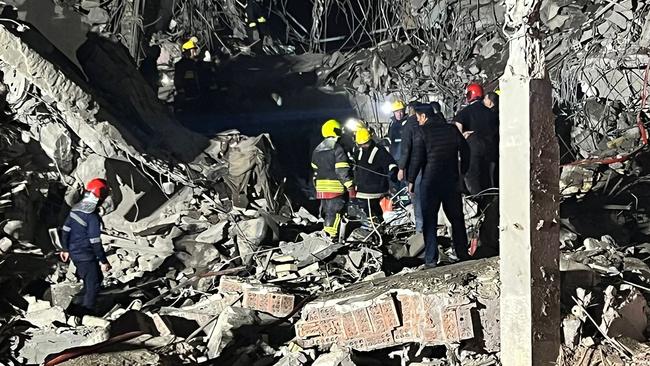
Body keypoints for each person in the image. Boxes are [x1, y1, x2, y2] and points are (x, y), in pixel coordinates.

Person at [408, 104, 471, 268]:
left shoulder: (421, 132)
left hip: (430, 183)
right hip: (451, 181)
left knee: (430, 221)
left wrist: (411, 180)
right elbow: (466, 150)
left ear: (424, 117)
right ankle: (462, 253)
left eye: (418, 118)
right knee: (456, 219)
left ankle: (430, 259)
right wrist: (462, 172)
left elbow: (417, 159)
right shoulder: (451, 129)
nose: (418, 121)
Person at [59, 179, 112, 315]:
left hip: (75, 254)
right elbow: (95, 241)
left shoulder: (75, 209)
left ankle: (75, 308)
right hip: (86, 256)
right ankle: (85, 314)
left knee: (94, 279)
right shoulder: (92, 217)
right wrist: (103, 261)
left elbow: (65, 229)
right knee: (93, 285)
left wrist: (65, 249)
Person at [311, 120, 355, 238]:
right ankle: (332, 237)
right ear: (336, 130)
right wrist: (350, 186)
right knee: (335, 213)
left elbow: (315, 168)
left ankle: (326, 235)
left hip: (321, 187)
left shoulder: (317, 149)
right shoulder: (337, 148)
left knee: (328, 213)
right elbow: (341, 170)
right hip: (335, 187)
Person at [453, 83, 499, 196]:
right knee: (488, 181)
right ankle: (490, 207)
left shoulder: (468, 111)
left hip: (473, 151)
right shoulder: (494, 113)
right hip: (492, 152)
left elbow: (457, 126)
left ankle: (478, 202)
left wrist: (462, 136)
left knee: (472, 178)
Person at [354, 127, 397, 228]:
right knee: (371, 211)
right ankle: (378, 227)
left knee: (371, 210)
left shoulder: (379, 150)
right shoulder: (358, 152)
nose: (364, 146)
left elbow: (390, 163)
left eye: (365, 143)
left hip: (375, 189)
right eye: (361, 144)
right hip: (362, 189)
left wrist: (393, 171)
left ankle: (377, 229)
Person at [398, 101, 423, 232]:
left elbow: (405, 149)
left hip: (414, 168)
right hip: (429, 167)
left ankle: (419, 230)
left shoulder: (410, 125)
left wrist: (401, 168)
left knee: (416, 198)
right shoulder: (426, 123)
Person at [174, 37, 202, 114]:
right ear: (186, 52)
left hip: (194, 92)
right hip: (187, 93)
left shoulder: (193, 63)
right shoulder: (182, 64)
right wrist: (180, 89)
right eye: (193, 50)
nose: (195, 52)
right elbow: (178, 79)